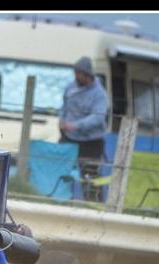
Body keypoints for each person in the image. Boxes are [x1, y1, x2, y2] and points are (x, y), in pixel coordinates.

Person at [59, 56, 109, 202]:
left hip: (91, 142)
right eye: (75, 72)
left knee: (90, 176)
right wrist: (61, 119)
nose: (76, 76)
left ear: (87, 74)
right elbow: (64, 106)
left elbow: (98, 117)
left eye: (78, 73)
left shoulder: (100, 94)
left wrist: (75, 125)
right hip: (69, 138)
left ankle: (94, 205)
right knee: (62, 169)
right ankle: (60, 199)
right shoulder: (70, 87)